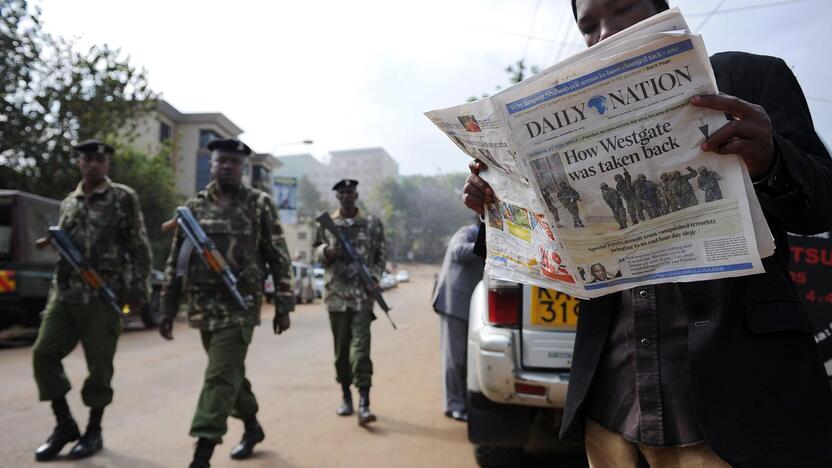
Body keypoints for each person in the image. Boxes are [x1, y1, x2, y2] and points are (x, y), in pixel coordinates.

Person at [462, 0, 832, 466]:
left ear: (662, 11)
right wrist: (495, 206)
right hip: (613, 410)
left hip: (736, 407)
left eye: (621, 10)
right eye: (589, 26)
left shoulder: (748, 80)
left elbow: (822, 204)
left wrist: (772, 159)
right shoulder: (560, 121)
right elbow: (545, 255)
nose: (605, 35)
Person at [158, 138, 294, 468]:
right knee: (231, 373)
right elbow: (177, 258)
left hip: (240, 306)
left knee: (219, 376)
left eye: (235, 162)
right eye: (222, 161)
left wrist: (284, 304)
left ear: (244, 167)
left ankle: (201, 455)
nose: (228, 166)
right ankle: (252, 427)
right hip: (203, 307)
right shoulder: (194, 206)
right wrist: (168, 305)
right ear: (212, 164)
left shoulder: (259, 204)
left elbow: (278, 255)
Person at [31, 140, 152, 461]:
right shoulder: (69, 202)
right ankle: (64, 424)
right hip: (65, 292)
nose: (93, 164)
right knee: (43, 354)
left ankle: (93, 431)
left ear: (107, 164)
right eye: (87, 159)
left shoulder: (123, 198)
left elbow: (138, 246)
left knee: (99, 368)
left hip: (103, 295)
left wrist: (139, 292)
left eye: (99, 159)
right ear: (79, 163)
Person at [313, 179, 387, 426]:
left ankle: (365, 402)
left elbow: (381, 255)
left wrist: (374, 278)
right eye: (342, 193)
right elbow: (315, 248)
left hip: (362, 297)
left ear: (356, 194)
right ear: (337, 197)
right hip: (336, 296)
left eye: (350, 192)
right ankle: (346, 397)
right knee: (341, 352)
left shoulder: (372, 223)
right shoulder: (326, 223)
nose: (346, 196)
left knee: (361, 350)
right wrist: (327, 252)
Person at [431, 223, 484, 422]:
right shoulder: (469, 232)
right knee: (455, 359)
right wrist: (484, 244)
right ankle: (454, 405)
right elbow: (456, 251)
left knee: (466, 360)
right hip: (454, 303)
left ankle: (461, 402)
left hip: (470, 306)